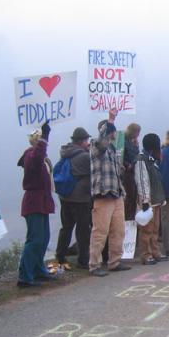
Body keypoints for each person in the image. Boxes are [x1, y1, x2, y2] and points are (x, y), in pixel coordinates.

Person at [89, 108, 131, 277]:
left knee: (118, 230)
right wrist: (111, 120)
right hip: (103, 194)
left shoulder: (113, 150)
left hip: (116, 194)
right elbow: (102, 143)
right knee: (100, 232)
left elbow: (116, 172)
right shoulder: (96, 145)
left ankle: (115, 261)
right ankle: (94, 264)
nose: (114, 134)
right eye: (111, 132)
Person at [17, 122, 56, 287]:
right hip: (34, 202)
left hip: (42, 201)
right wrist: (45, 137)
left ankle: (38, 269)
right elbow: (39, 155)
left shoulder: (40, 157)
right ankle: (25, 276)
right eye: (41, 140)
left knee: (44, 238)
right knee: (35, 239)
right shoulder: (31, 155)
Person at [54, 127, 91, 270]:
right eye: (87, 140)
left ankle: (60, 256)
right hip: (80, 198)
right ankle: (83, 260)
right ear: (82, 141)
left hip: (65, 196)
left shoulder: (65, 153)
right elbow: (94, 166)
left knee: (66, 227)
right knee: (83, 230)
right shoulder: (83, 156)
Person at [135, 133, 168, 265]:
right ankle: (146, 254)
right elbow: (142, 181)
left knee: (155, 229)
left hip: (156, 200)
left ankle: (155, 252)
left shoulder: (151, 160)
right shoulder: (141, 160)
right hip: (148, 201)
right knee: (147, 230)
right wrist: (145, 200)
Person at [122, 123, 142, 220]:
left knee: (133, 199)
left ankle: (131, 220)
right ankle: (127, 220)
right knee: (129, 199)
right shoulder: (123, 142)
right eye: (137, 132)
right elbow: (120, 157)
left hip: (134, 173)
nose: (138, 135)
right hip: (127, 174)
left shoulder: (134, 143)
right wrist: (127, 165)